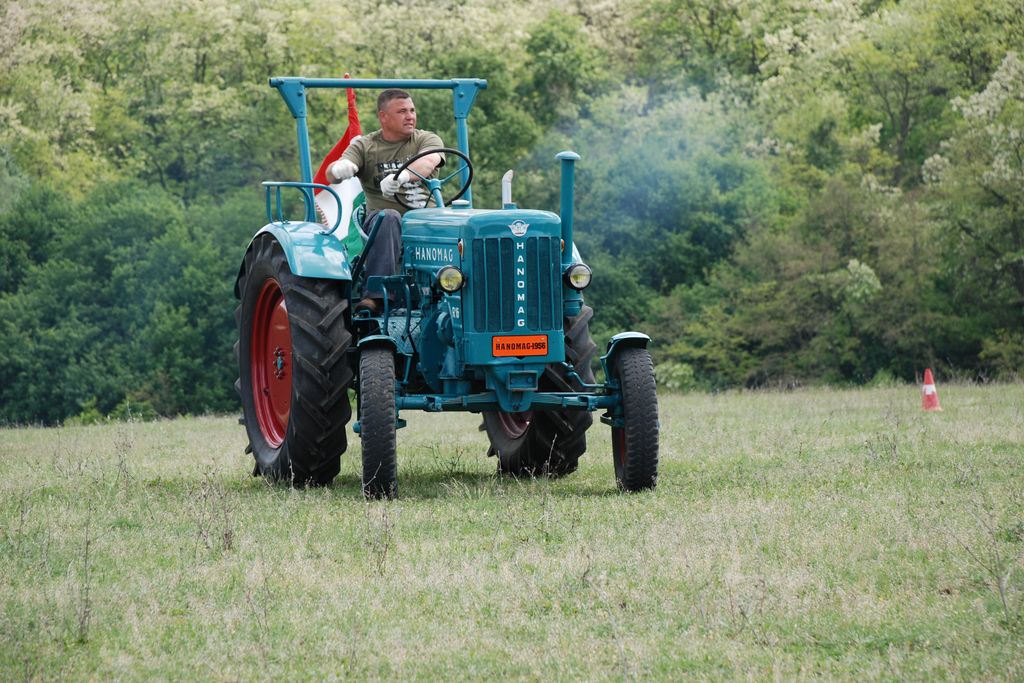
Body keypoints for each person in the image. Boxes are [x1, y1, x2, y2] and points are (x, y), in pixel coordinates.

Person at [326, 89, 444, 314]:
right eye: (402, 111)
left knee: (466, 224)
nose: (410, 116)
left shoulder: (425, 139)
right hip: (381, 223)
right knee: (389, 217)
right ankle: (377, 296)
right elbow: (332, 173)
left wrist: (403, 176)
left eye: (412, 110)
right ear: (383, 116)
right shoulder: (365, 146)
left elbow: (430, 160)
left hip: (426, 219)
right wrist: (340, 168)